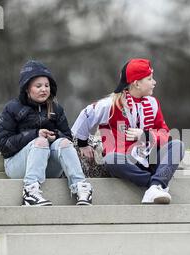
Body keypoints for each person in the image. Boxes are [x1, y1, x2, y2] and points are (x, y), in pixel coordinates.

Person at [72, 58, 184, 204]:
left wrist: (146, 135)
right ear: (136, 83)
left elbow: (164, 133)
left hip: (149, 157)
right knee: (111, 159)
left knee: (178, 144)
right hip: (124, 161)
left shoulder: (153, 103)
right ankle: (155, 183)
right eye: (150, 79)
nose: (154, 82)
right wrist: (82, 143)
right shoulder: (110, 104)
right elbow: (86, 115)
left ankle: (155, 186)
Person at [0, 60, 93, 206]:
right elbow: (4, 145)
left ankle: (81, 187)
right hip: (17, 165)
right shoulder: (12, 108)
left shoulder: (56, 109)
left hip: (48, 166)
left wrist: (55, 136)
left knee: (65, 142)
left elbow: (67, 137)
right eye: (38, 86)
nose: (44, 89)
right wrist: (35, 134)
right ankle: (29, 192)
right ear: (27, 89)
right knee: (40, 141)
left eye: (47, 86)